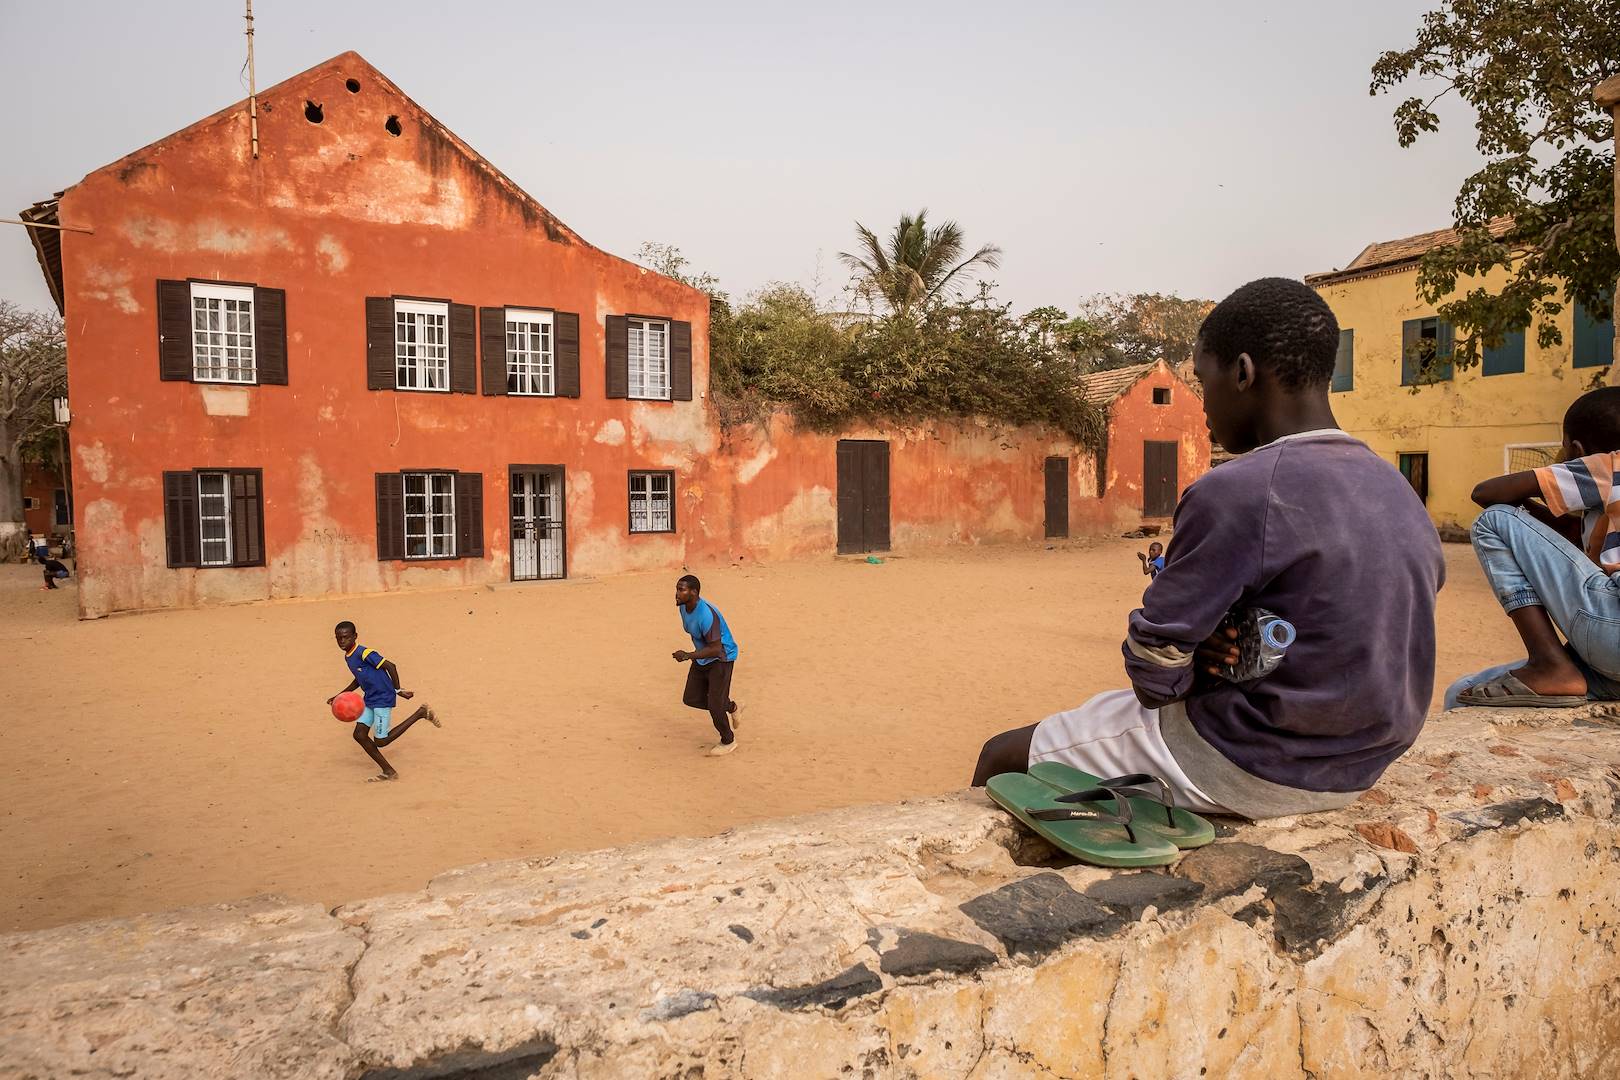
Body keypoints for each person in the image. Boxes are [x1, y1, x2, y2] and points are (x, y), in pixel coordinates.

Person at [971, 277, 1444, 819]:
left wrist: (1211, 659)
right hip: (1360, 764)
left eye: (1203, 381)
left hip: (1253, 759)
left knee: (1001, 755)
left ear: (1242, 373)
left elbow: (1154, 674)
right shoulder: (1395, 487)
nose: (1202, 408)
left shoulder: (1239, 488)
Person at [1446, 387, 1620, 709]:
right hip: (1611, 663)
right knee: (1463, 692)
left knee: (1494, 519)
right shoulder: (1604, 516)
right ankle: (1556, 668)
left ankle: (1549, 663)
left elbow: (1485, 493)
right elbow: (1567, 542)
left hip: (1612, 631)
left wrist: (1542, 487)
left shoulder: (1609, 466)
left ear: (1578, 450)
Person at [328, 620, 440, 781]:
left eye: (346, 637)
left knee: (381, 741)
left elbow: (391, 666)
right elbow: (359, 679)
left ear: (355, 636)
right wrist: (339, 695)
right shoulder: (348, 656)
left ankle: (421, 713)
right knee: (359, 735)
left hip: (382, 697)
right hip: (370, 698)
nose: (342, 641)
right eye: (338, 638)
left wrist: (398, 690)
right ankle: (389, 771)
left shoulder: (364, 653)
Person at [672, 574, 743, 756]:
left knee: (714, 704)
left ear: (694, 592)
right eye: (677, 589)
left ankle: (728, 740)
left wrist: (688, 655)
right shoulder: (684, 607)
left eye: (681, 590)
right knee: (691, 698)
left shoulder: (706, 614)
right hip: (703, 657)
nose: (677, 594)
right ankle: (731, 707)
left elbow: (715, 648)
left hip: (721, 658)